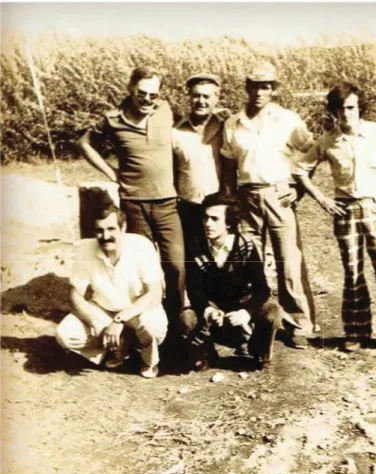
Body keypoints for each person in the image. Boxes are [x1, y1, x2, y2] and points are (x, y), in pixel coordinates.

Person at [294, 81, 376, 352]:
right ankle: (356, 332)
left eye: (350, 107)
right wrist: (323, 199)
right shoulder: (327, 141)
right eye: (339, 109)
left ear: (359, 108)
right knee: (353, 272)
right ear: (333, 112)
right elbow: (300, 169)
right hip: (345, 211)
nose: (346, 113)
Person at [78, 66, 185, 326]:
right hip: (133, 204)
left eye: (153, 95)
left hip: (168, 203)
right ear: (130, 89)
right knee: (139, 268)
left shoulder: (165, 110)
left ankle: (176, 320)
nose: (148, 99)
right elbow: (84, 144)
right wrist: (111, 172)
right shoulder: (112, 119)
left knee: (176, 265)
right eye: (142, 93)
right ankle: (141, 324)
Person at [220, 62, 316, 349]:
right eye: (254, 85)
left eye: (266, 86)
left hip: (279, 194)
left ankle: (299, 323)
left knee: (288, 261)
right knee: (248, 262)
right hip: (246, 196)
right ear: (246, 87)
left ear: (273, 90)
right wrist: (229, 200)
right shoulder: (233, 123)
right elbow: (227, 164)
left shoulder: (287, 119)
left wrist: (299, 187)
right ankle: (252, 321)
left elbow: (312, 151)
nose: (259, 92)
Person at [55, 199, 168, 378]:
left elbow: (155, 294)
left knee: (153, 328)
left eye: (111, 229)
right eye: (99, 230)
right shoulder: (85, 250)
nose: (105, 236)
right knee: (65, 334)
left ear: (123, 229)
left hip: (137, 311)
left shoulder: (141, 245)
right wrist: (96, 322)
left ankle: (142, 355)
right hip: (104, 313)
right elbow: (74, 295)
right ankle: (115, 347)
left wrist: (119, 321)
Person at [180, 193, 281, 370]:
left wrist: (247, 313)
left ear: (228, 223)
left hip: (241, 304)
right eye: (205, 218)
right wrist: (208, 310)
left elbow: (262, 289)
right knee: (187, 319)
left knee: (272, 311)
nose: (208, 224)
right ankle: (206, 355)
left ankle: (259, 353)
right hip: (214, 309)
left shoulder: (246, 247)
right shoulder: (196, 248)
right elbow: (194, 289)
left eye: (214, 219)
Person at [172, 73, 230, 251]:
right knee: (192, 257)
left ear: (216, 98)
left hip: (218, 207)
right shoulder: (175, 131)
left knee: (220, 256)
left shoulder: (226, 126)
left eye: (206, 96)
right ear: (189, 96)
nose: (200, 101)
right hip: (187, 206)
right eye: (196, 95)